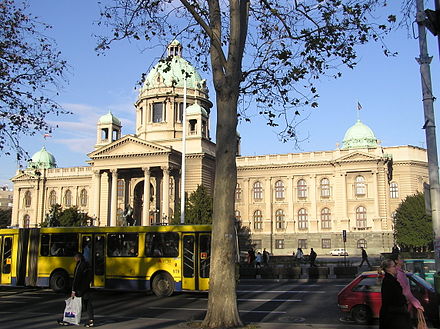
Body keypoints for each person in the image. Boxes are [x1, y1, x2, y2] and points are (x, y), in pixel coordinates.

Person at [379, 258, 412, 329]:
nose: (395, 268)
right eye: (393, 266)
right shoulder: (389, 281)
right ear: (388, 269)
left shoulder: (391, 279)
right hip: (394, 316)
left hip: (395, 315)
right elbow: (393, 298)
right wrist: (404, 300)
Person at [391, 254, 424, 321]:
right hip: (403, 306)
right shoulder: (399, 274)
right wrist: (417, 304)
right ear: (396, 261)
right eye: (401, 258)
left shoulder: (400, 272)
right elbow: (406, 292)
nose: (403, 260)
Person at [71, 252, 94, 327]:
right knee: (87, 303)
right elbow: (90, 276)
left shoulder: (79, 265)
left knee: (76, 303)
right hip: (86, 287)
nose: (74, 259)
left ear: (77, 258)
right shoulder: (87, 265)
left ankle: (73, 318)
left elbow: (76, 278)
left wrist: (73, 290)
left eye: (75, 258)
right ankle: (91, 319)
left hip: (80, 288)